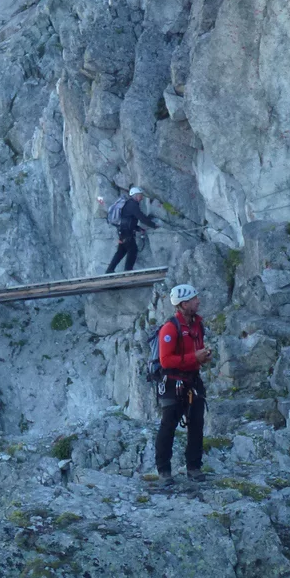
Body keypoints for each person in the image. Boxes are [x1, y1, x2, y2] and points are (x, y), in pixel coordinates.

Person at [155, 284, 212, 484]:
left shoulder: (197, 324)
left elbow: (194, 351)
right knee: (168, 426)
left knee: (197, 424)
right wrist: (194, 357)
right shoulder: (170, 328)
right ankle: (164, 471)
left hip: (193, 380)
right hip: (173, 383)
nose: (198, 301)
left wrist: (202, 357)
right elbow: (166, 361)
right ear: (184, 304)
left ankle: (194, 467)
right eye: (194, 299)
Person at [106, 187, 158, 273]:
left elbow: (128, 220)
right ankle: (128, 271)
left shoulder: (129, 204)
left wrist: (138, 229)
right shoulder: (132, 205)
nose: (142, 197)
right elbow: (142, 218)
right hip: (127, 232)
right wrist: (154, 225)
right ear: (136, 195)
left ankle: (109, 270)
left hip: (122, 231)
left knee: (121, 251)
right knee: (133, 250)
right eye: (141, 195)